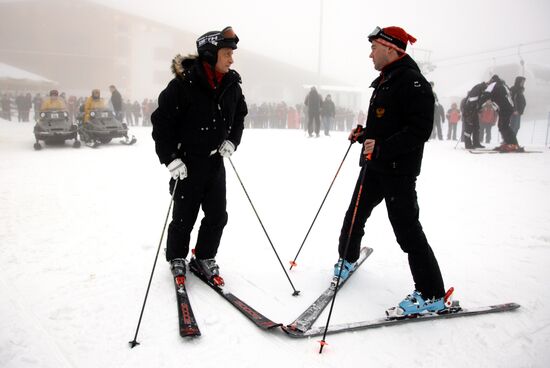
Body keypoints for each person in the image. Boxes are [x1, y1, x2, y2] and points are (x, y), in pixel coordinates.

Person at [335, 26, 448, 317]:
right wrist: (364, 134)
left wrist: (382, 146)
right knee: (355, 214)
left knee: (407, 231)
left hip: (398, 170)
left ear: (391, 49)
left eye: (374, 47)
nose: (370, 53)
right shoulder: (386, 81)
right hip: (375, 165)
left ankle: (432, 293)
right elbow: (386, 126)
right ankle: (347, 259)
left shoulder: (413, 83)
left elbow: (419, 130)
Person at [151, 26, 247, 283]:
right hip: (188, 163)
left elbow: (239, 115)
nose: (231, 59)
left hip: (215, 162)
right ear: (210, 53)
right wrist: (171, 158)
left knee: (217, 215)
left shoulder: (231, 84)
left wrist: (232, 141)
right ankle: (177, 258)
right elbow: (161, 124)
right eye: (227, 53)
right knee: (184, 216)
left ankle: (204, 256)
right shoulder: (183, 85)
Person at [480, 74, 521, 152]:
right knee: (502, 126)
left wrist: (478, 105)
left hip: (505, 108)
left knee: (504, 126)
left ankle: (513, 144)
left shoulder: (495, 85)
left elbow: (486, 95)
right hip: (506, 108)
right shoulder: (503, 85)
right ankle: (508, 142)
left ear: (493, 80)